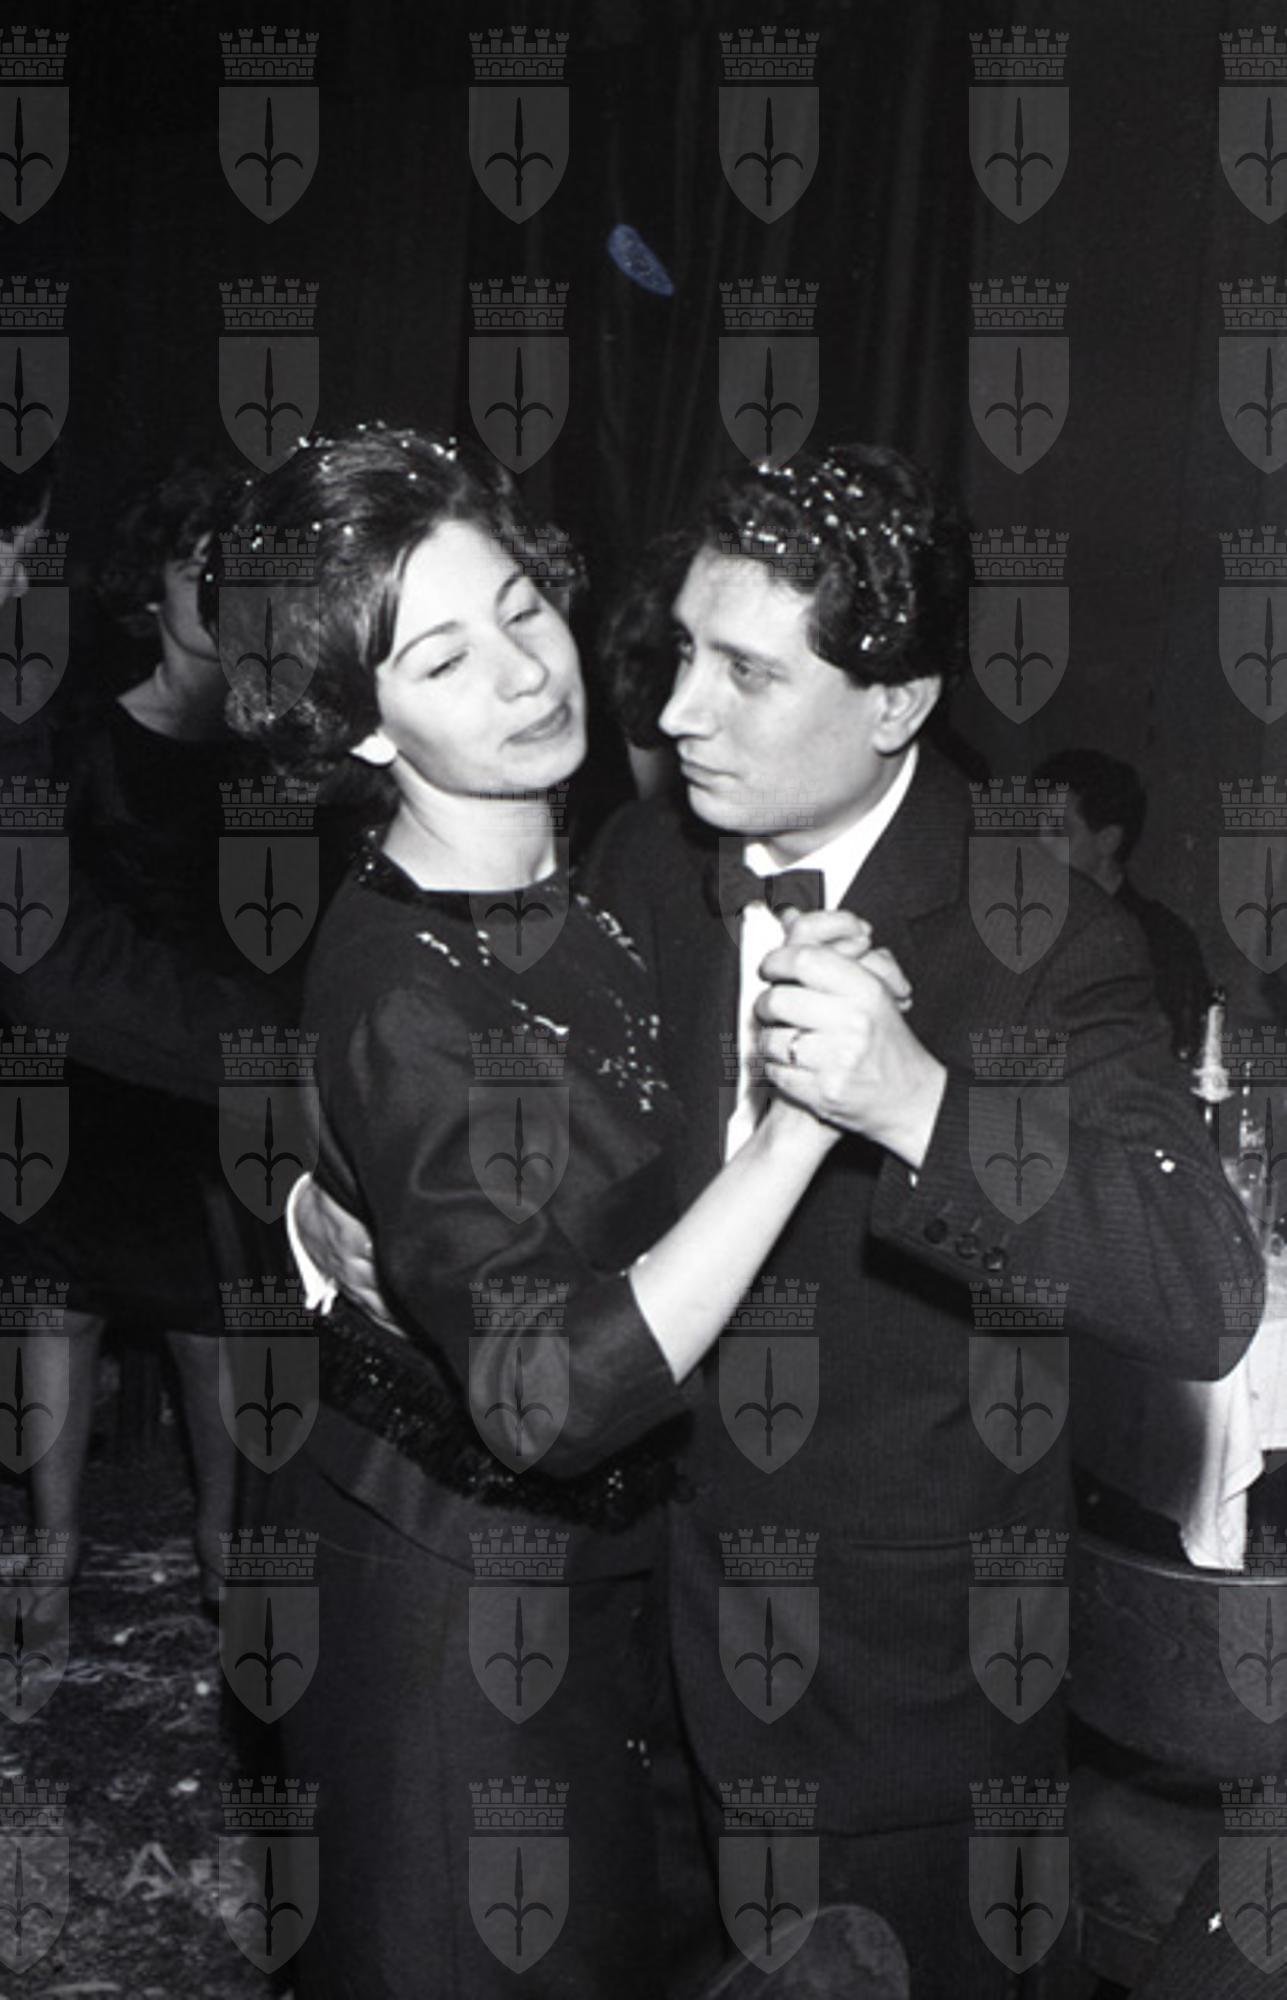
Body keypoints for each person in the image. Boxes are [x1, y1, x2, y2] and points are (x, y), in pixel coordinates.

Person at [295, 443, 1265, 1997]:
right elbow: (463, 1053)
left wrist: (918, 1105)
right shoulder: (644, 853)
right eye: (683, 651)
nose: (678, 714)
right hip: (621, 1672)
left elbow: (1200, 1287)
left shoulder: (1042, 938)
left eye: (746, 674)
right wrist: (331, 1191)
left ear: (895, 703)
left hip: (883, 1718)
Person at [216, 427, 893, 1999]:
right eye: (444, 659)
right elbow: (543, 1396)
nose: (526, 674)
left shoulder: (594, 880)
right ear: (360, 724)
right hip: (458, 1633)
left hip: (615, 1591)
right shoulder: (410, 985)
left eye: (522, 609)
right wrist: (798, 1128)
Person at [16, 460, 291, 1606]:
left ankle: (227, 1549)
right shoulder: (83, 736)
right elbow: (54, 943)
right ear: (150, 589)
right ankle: (53, 1547)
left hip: (225, 1070)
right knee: (55, 1293)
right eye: (197, 569)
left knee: (214, 1310)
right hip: (95, 1061)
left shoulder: (290, 749)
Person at [1035, 746, 1211, 1062]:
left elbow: (1179, 1054)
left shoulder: (1162, 941)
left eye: (1058, 830)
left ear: (1108, 841)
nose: (1038, 843)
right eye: (1034, 827)